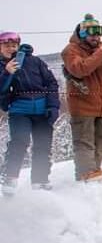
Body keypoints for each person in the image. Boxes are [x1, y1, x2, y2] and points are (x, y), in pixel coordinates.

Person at [61, 14, 102, 181]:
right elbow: (79, 69)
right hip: (83, 103)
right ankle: (85, 172)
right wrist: (100, 54)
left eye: (98, 34)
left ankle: (94, 170)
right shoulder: (71, 50)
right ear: (82, 34)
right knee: (84, 141)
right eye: (91, 34)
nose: (96, 37)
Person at [1, 33, 59, 195]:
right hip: (19, 110)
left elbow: (51, 83)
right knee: (19, 141)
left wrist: (53, 106)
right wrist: (7, 73)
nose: (10, 49)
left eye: (14, 46)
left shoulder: (34, 61)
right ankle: (10, 178)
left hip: (42, 109)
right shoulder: (2, 65)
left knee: (43, 146)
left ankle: (40, 181)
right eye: (6, 46)